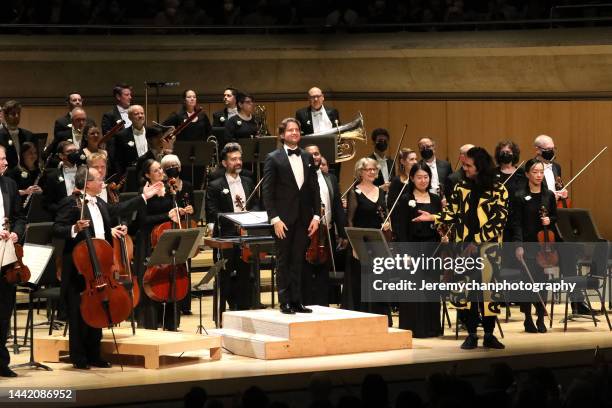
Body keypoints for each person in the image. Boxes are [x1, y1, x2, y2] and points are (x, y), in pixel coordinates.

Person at [53, 165, 163, 369]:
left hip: (100, 265)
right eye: (99, 179)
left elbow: (117, 210)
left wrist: (143, 197)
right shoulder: (70, 203)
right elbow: (57, 228)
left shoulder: (99, 202)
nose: (103, 182)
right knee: (80, 314)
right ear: (87, 184)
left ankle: (95, 354)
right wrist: (74, 228)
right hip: (80, 267)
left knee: (100, 310)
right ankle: (79, 357)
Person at [413, 147, 508, 349]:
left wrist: (476, 242)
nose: (464, 169)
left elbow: (498, 221)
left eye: (468, 166)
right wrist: (433, 217)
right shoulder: (461, 187)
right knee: (468, 294)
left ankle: (489, 334)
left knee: (488, 294)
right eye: (464, 165)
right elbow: (453, 213)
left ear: (480, 167)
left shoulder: (499, 189)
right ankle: (472, 334)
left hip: (487, 250)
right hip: (463, 248)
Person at [262, 118, 320, 314]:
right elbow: (267, 192)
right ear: (282, 134)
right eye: (290, 130)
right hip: (283, 220)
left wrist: (317, 216)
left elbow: (314, 188)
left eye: (297, 130)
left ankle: (297, 300)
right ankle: (285, 301)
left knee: (298, 260)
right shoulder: (273, 158)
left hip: (304, 217)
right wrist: (274, 219)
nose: (295, 133)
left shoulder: (306, 156)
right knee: (284, 260)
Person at [134, 159, 190, 329]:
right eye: (156, 170)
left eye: (160, 169)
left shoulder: (170, 189)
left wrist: (180, 212)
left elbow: (173, 214)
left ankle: (171, 322)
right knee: (151, 281)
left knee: (170, 276)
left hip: (167, 239)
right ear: (147, 175)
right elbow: (143, 220)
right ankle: (150, 323)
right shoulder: (144, 192)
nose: (161, 172)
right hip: (149, 242)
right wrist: (168, 215)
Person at [206, 143, 256, 314]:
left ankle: (243, 311)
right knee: (224, 278)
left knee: (244, 277)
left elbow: (256, 206)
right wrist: (234, 221)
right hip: (226, 238)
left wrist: (249, 218)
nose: (238, 162)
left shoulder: (249, 182)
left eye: (239, 158)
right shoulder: (215, 185)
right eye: (233, 159)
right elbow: (213, 212)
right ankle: (220, 315)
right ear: (224, 163)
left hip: (245, 238)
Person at [395, 162, 442, 338]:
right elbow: (400, 228)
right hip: (412, 247)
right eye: (419, 177)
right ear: (412, 179)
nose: (423, 180)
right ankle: (414, 328)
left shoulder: (436, 199)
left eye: (426, 177)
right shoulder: (405, 198)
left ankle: (432, 328)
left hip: (432, 248)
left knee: (431, 288)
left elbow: (441, 222)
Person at [511, 158, 556, 334]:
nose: (539, 175)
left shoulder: (548, 195)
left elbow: (554, 217)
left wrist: (549, 219)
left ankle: (540, 318)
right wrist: (518, 245)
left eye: (541, 172)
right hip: (527, 244)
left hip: (544, 247)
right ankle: (528, 318)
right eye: (535, 172)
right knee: (527, 283)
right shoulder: (520, 196)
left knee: (542, 283)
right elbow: (517, 224)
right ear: (528, 174)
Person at [345, 157, 391, 323]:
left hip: (377, 242)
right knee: (361, 281)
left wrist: (387, 224)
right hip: (360, 243)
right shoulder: (354, 192)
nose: (372, 172)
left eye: (374, 169)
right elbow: (350, 221)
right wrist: (354, 245)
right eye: (368, 169)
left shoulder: (381, 192)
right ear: (360, 172)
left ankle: (379, 317)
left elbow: (385, 215)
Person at [302, 144, 348, 306]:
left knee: (324, 275)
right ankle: (305, 306)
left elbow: (337, 208)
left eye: (317, 153)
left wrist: (343, 233)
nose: (315, 157)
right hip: (306, 233)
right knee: (306, 274)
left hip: (326, 233)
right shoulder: (300, 178)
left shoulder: (331, 178)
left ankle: (323, 307)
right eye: (311, 154)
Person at [0, 145, 27, 377]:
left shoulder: (9, 184)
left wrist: (17, 233)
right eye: (0, 159)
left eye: (5, 159)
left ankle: (1, 362)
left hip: (7, 258)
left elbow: (19, 217)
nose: (5, 163)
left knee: (4, 310)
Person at [41, 141, 84, 215]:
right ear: (61, 156)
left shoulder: (85, 171)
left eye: (75, 151)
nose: (73, 154)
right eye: (69, 151)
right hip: (64, 217)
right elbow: (47, 203)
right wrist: (62, 210)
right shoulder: (52, 176)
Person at [115, 105, 155, 174]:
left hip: (152, 172)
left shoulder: (153, 132)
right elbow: (118, 160)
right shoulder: (122, 135)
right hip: (133, 174)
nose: (140, 116)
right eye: (136, 114)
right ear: (129, 117)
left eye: (142, 113)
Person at [388, 147, 418, 232]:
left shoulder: (418, 179)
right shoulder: (397, 180)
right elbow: (391, 204)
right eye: (411, 159)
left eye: (416, 159)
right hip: (402, 223)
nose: (415, 162)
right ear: (402, 161)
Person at [0, 100, 36, 170]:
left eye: (18, 113)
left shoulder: (29, 135)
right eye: (13, 114)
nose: (17, 116)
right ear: (5, 116)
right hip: (6, 176)